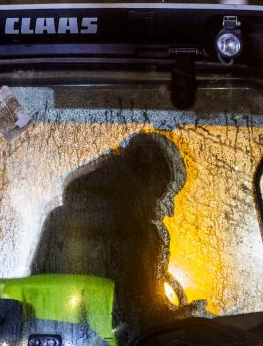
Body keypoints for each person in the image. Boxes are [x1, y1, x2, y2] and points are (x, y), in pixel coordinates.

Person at [30, 132, 188, 324]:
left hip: (55, 343)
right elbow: (137, 319)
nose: (168, 210)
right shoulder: (136, 233)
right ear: (147, 187)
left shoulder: (57, 219)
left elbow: (37, 296)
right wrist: (184, 318)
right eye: (160, 194)